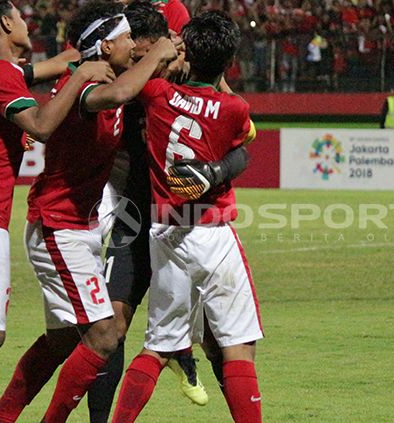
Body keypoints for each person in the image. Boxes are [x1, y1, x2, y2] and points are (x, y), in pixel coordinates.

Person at [0, 1, 178, 422]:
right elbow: (124, 92)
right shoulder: (88, 88)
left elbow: (133, 82)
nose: (133, 45)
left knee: (60, 343)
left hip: (76, 227)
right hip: (59, 227)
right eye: (126, 38)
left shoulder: (102, 75)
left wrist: (165, 54)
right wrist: (161, 50)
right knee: (105, 335)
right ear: (106, 46)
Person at [0, 1, 114, 421]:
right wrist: (80, 74)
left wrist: (68, 62)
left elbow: (35, 72)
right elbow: (43, 126)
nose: (26, 21)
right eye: (19, 13)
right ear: (6, 22)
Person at [111, 11, 263, 422]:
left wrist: (166, 55)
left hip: (164, 231)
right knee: (237, 346)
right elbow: (245, 142)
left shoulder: (156, 93)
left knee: (159, 346)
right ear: (229, 61)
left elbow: (141, 81)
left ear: (186, 53)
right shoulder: (234, 107)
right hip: (212, 231)